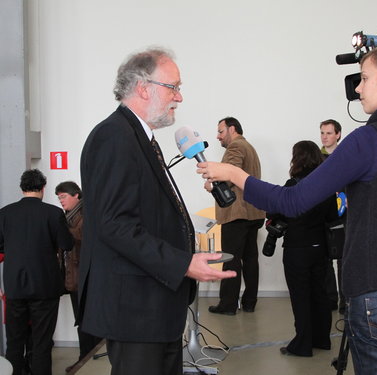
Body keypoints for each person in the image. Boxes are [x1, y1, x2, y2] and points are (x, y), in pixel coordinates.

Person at [197, 42, 377, 374]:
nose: (357, 88)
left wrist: (235, 175)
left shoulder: (367, 140)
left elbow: (293, 201)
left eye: (364, 78)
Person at [79, 47, 236, 375]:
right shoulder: (114, 137)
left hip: (153, 307)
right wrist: (183, 263)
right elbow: (114, 224)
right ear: (143, 88)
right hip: (135, 311)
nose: (179, 97)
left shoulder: (138, 136)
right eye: (173, 87)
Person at [0, 169, 73, 375]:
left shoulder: (4, 213)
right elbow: (66, 244)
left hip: (14, 287)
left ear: (22, 188)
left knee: (14, 343)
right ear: (43, 188)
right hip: (45, 287)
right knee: (42, 343)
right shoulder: (53, 213)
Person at [271, 140, 338, 357]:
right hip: (319, 247)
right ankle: (322, 340)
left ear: (297, 158)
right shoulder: (327, 185)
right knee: (320, 294)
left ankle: (302, 345)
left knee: (300, 297)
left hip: (297, 248)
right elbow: (332, 217)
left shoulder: (293, 185)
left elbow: (280, 213)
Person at [206, 117, 265, 315]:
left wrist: (212, 185)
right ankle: (249, 302)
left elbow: (230, 173)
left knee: (231, 259)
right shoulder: (249, 147)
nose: (218, 136)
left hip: (237, 213)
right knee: (250, 259)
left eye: (221, 131)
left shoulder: (235, 148)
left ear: (232, 129)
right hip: (253, 212)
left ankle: (228, 304)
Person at [55, 181, 102, 372]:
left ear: (76, 195)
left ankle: (89, 359)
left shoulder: (86, 215)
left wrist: (61, 231)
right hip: (76, 277)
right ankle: (84, 358)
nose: (61, 201)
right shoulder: (69, 217)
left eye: (63, 196)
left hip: (88, 278)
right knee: (82, 321)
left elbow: (88, 239)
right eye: (59, 197)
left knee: (89, 321)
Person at [320, 118, 346, 314]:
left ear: (338, 134)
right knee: (325, 259)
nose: (325, 137)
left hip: (343, 214)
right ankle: (329, 299)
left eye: (329, 133)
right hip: (323, 213)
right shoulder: (317, 158)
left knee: (343, 258)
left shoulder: (347, 156)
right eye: (322, 132)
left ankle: (345, 301)